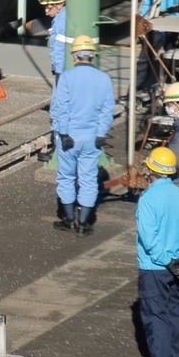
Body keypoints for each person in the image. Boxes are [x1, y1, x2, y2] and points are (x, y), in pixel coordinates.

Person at [132, 146, 179, 357]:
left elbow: (149, 239)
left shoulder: (148, 199)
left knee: (155, 316)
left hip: (155, 268)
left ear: (151, 169)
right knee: (177, 310)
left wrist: (167, 261)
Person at [50, 35, 114, 236]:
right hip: (93, 138)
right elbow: (107, 109)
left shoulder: (67, 78)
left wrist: (63, 132)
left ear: (74, 56)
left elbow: (62, 108)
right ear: (92, 56)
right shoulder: (104, 79)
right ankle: (84, 224)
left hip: (70, 137)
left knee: (66, 177)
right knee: (88, 179)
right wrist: (101, 133)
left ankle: (68, 219)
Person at [40, 0, 68, 82]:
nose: (46, 11)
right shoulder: (58, 19)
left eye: (49, 8)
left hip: (62, 71)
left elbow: (60, 48)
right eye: (45, 7)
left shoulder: (62, 22)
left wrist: (59, 71)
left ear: (59, 5)